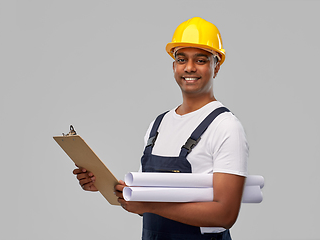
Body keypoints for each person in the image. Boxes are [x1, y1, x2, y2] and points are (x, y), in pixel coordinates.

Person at [73, 17, 248, 240]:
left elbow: (225, 214)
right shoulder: (159, 125)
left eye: (201, 60)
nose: (190, 67)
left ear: (217, 66)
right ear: (174, 66)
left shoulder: (226, 127)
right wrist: (106, 187)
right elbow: (147, 206)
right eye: (181, 59)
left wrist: (149, 205)